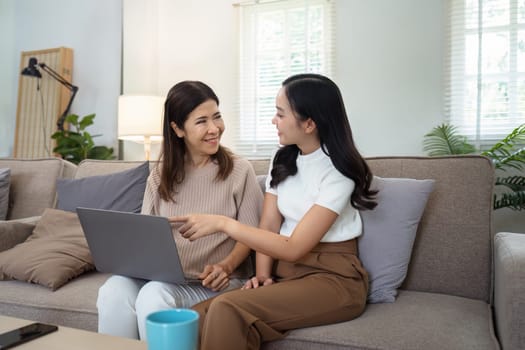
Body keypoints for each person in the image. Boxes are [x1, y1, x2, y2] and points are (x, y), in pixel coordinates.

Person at [173, 73, 378, 350]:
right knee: (194, 318)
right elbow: (269, 224)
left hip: (334, 279)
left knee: (227, 309)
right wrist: (262, 275)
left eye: (280, 114)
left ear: (309, 123)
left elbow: (294, 247)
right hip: (287, 273)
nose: (273, 120)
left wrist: (224, 224)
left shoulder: (339, 172)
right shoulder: (283, 157)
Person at [96, 81, 263, 340]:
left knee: (154, 295)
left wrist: (226, 267)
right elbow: (145, 236)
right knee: (113, 290)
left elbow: (251, 235)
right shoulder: (160, 175)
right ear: (177, 129)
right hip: (167, 278)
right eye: (201, 121)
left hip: (218, 282)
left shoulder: (240, 171)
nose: (214, 128)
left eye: (217, 117)